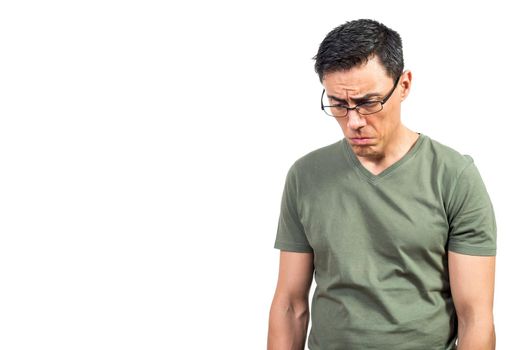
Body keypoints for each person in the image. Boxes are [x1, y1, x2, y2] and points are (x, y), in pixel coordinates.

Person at [267, 19, 497, 350]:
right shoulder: (305, 176)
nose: (354, 121)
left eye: (367, 103)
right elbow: (290, 306)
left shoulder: (454, 177)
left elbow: (475, 318)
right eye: (338, 104)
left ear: (404, 85)